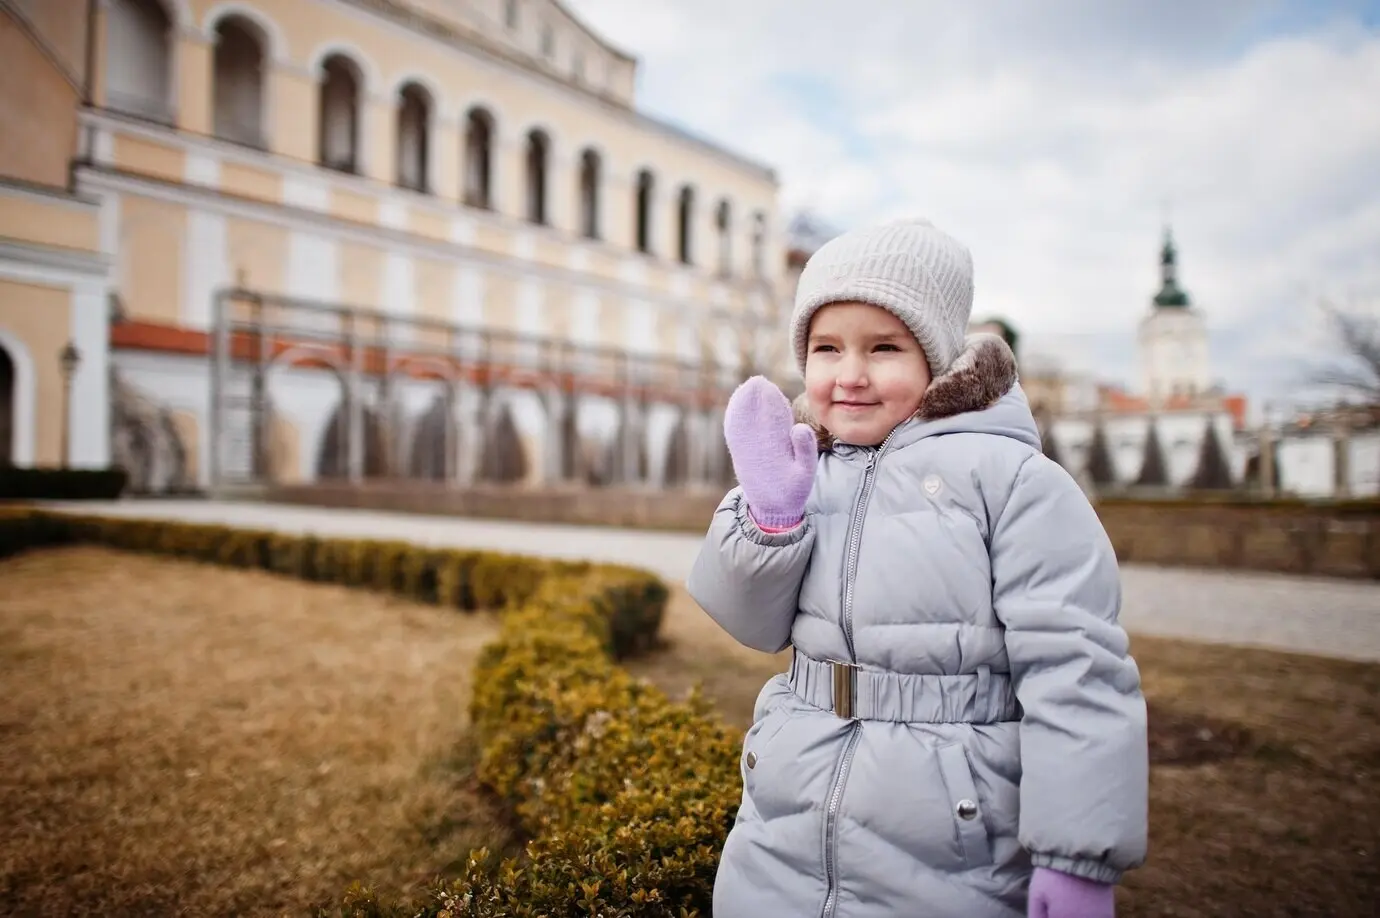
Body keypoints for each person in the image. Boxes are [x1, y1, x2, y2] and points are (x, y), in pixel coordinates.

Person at [686, 218, 1148, 918]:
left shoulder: (1012, 481)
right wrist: (770, 519)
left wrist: (1077, 855)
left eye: (884, 348)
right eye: (826, 348)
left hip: (949, 849)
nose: (849, 375)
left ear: (935, 356)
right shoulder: (803, 468)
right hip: (785, 829)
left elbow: (1076, 668)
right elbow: (749, 624)